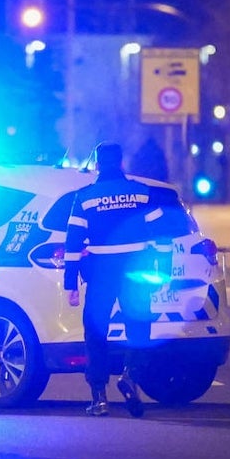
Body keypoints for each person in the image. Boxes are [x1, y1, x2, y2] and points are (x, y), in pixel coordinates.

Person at [65, 142, 170, 417]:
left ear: (98, 164)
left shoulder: (85, 197)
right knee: (139, 326)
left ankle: (99, 397)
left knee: (96, 332)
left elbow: (73, 243)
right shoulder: (142, 193)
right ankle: (131, 376)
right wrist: (164, 269)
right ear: (121, 163)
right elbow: (162, 234)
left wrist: (70, 284)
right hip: (136, 270)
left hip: (101, 271)